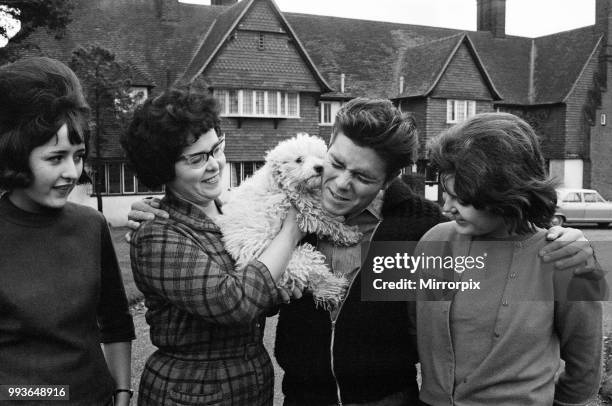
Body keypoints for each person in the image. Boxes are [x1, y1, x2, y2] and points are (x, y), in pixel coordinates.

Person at [127, 98, 596, 405]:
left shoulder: (424, 232)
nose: (339, 183)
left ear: (390, 179)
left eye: (363, 177)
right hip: (301, 398)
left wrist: (565, 245)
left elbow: (488, 301)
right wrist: (158, 203)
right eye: (336, 163)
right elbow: (227, 229)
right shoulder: (290, 207)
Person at [120, 85, 304, 405]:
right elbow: (233, 303)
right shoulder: (155, 233)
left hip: (251, 385)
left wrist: (278, 284)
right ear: (164, 168)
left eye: (216, 148)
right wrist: (290, 233)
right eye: (196, 159)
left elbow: (264, 296)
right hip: (190, 391)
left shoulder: (231, 209)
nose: (215, 164)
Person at [415, 112, 605, 406]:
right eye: (445, 192)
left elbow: (585, 370)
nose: (446, 207)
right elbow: (406, 328)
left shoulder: (570, 259)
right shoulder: (433, 242)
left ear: (504, 193)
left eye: (462, 199)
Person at [0, 57, 135, 406]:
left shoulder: (91, 225)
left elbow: (117, 322)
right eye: (55, 157)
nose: (73, 172)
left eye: (78, 156)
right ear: (14, 154)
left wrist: (121, 394)